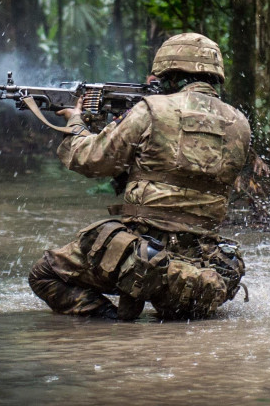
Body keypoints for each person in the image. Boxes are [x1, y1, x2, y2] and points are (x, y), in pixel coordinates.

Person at [29, 33, 252, 321]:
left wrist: (76, 121)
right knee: (177, 314)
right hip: (204, 265)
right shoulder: (240, 123)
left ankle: (113, 326)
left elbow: (90, 159)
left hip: (144, 258)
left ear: (171, 72)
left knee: (44, 274)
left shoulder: (150, 110)